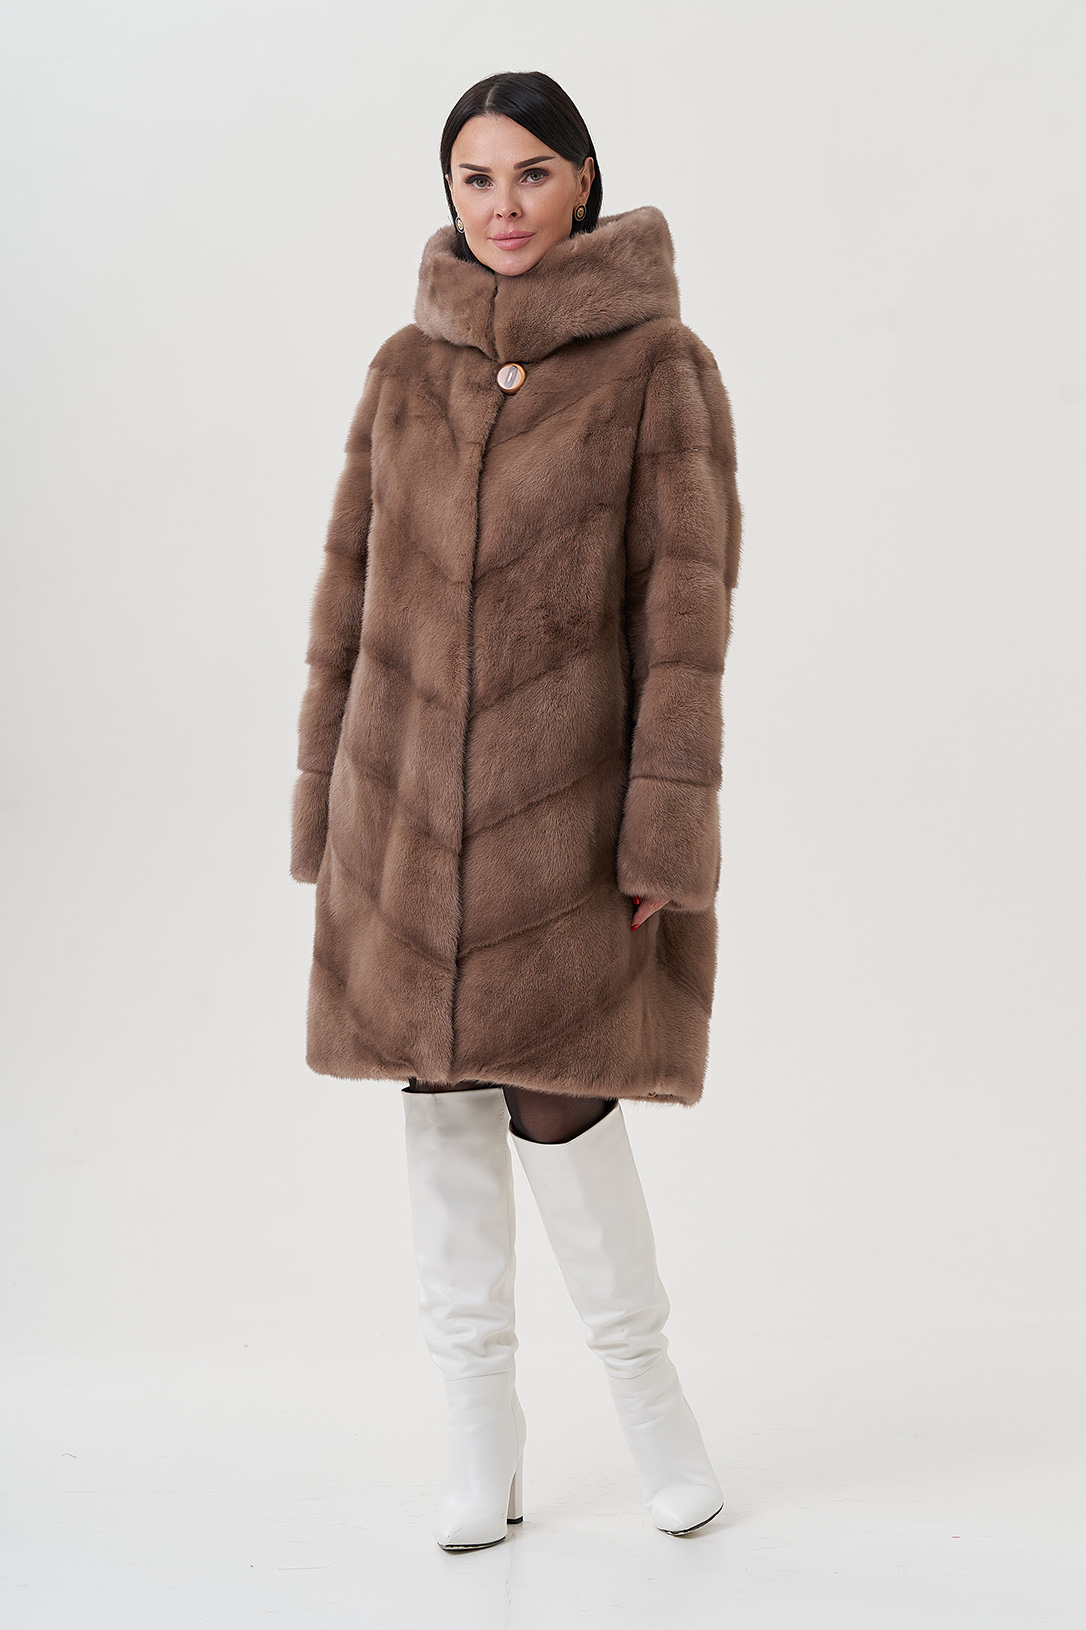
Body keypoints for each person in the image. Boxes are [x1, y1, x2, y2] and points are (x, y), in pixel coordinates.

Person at [291, 70, 743, 1551]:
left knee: (562, 1101)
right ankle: (477, 1432)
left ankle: (651, 1401)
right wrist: (327, 806)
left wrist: (662, 826)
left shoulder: (657, 368)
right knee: (435, 1102)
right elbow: (348, 600)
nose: (502, 206)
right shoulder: (402, 372)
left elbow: (684, 620)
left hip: (567, 827)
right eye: (475, 178)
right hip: (406, 816)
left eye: (532, 174)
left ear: (584, 182)